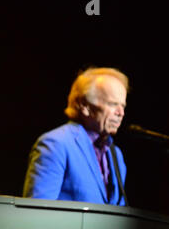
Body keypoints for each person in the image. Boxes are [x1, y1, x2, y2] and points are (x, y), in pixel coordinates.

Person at [23, 67, 128, 206]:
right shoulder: (55, 144)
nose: (121, 113)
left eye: (123, 106)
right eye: (113, 104)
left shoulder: (116, 155)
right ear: (85, 106)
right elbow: (36, 212)